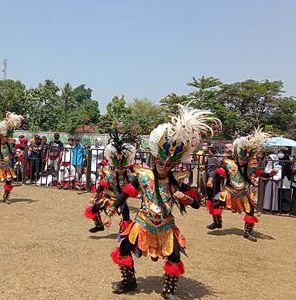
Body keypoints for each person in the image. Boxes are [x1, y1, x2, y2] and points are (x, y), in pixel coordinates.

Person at [106, 106, 216, 298]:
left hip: (166, 225)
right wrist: (112, 210)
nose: (164, 167)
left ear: (173, 164)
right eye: (160, 163)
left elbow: (197, 204)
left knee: (174, 256)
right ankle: (129, 281)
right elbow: (125, 193)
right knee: (124, 248)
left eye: (168, 165)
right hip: (143, 222)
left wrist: (188, 198)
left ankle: (169, 291)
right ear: (155, 158)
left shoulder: (178, 180)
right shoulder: (142, 176)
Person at [206, 128, 276, 242]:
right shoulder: (229, 163)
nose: (243, 160)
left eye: (245, 158)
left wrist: (269, 174)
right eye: (241, 157)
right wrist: (210, 180)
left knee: (250, 211)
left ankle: (247, 232)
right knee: (216, 202)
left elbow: (259, 173)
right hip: (228, 191)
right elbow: (217, 171)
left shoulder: (250, 166)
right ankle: (217, 222)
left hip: (243, 193)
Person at [84, 129, 136, 233]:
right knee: (94, 208)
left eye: (122, 167)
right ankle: (99, 225)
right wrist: (95, 195)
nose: (120, 169)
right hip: (108, 197)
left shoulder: (130, 176)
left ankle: (124, 231)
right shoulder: (110, 175)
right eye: (118, 167)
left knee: (125, 215)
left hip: (121, 199)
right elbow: (102, 185)